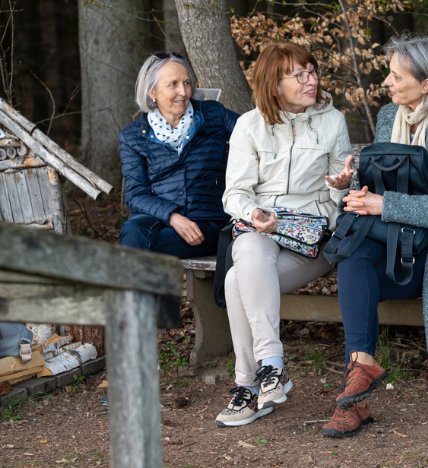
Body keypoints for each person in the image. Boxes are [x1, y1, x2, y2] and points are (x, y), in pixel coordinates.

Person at [320, 36, 428, 438]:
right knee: (353, 253)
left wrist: (385, 206)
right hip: (396, 243)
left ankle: (354, 393)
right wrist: (353, 185)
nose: (387, 82)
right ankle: (358, 382)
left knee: (358, 253)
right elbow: (382, 182)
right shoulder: (388, 116)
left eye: (397, 75)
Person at [215, 42, 353, 427]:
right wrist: (254, 213)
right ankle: (270, 369)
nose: (312, 80)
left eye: (312, 71)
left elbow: (338, 200)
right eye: (300, 74)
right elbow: (235, 193)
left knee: (234, 279)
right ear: (275, 84)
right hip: (262, 230)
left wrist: (341, 185)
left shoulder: (332, 122)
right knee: (249, 256)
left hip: (311, 240)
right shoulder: (250, 126)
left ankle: (249, 384)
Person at [119, 52, 238, 259]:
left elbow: (253, 132)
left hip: (206, 221)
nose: (183, 92)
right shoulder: (133, 136)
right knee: (133, 230)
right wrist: (172, 216)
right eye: (173, 84)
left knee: (141, 249)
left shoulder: (213, 114)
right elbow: (135, 194)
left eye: (186, 83)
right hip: (158, 217)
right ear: (152, 92)